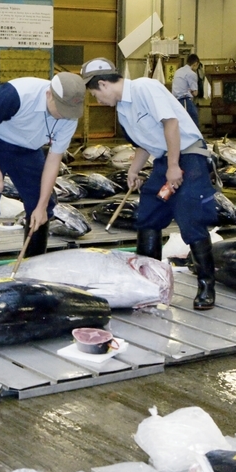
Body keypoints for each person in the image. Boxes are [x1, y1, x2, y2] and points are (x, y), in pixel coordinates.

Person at [80, 57, 217, 310]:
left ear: (103, 84)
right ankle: (149, 284)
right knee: (148, 213)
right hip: (165, 158)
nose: (98, 101)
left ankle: (206, 286)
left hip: (190, 155)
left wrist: (174, 166)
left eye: (95, 95)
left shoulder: (145, 87)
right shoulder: (122, 110)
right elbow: (144, 144)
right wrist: (134, 170)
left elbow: (171, 124)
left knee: (189, 214)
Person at [0, 73, 86, 282]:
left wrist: (41, 205)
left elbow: (53, 161)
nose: (64, 116)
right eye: (61, 109)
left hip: (28, 150)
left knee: (42, 205)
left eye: (69, 112)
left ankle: (32, 271)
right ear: (49, 94)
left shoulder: (69, 117)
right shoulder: (18, 93)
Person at [170, 53, 201, 128]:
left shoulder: (178, 71)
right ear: (196, 63)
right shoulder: (191, 74)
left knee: (181, 123)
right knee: (193, 121)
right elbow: (195, 93)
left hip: (175, 101)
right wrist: (191, 90)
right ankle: (195, 135)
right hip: (185, 101)